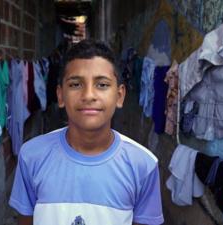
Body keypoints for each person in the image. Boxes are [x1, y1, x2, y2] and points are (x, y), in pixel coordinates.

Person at [9, 39, 164, 225]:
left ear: (119, 96)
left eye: (102, 85)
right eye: (75, 84)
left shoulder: (143, 165)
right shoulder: (32, 155)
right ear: (60, 96)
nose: (89, 95)